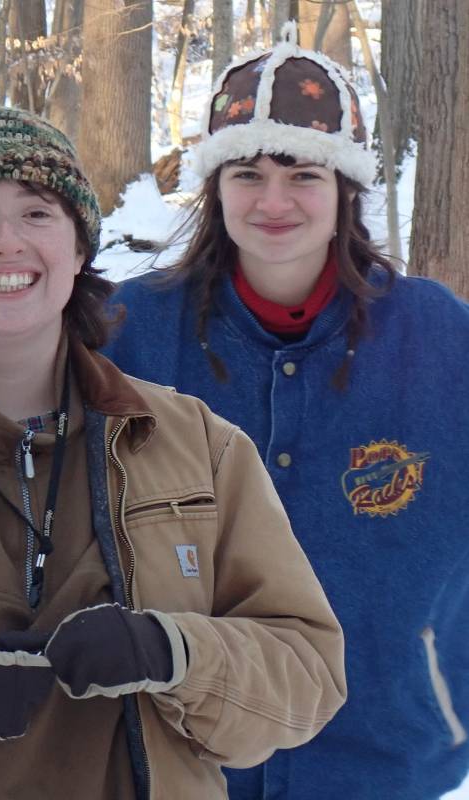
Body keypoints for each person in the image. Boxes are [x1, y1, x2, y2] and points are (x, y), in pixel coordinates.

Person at [0, 107, 345, 800]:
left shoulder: (198, 444)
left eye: (38, 213)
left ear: (79, 251)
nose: (7, 242)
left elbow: (308, 673)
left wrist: (174, 652)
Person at [103, 23, 469, 800]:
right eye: (246, 172)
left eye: (302, 173)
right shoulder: (130, 335)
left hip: (387, 762)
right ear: (214, 186)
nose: (273, 200)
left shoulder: (442, 338)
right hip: (180, 762)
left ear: (344, 188)